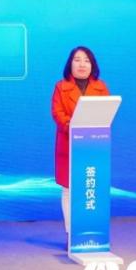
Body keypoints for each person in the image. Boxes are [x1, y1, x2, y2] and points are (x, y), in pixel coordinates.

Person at [51, 46, 109, 239]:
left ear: (92, 65)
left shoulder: (101, 88)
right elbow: (57, 113)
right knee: (69, 189)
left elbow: (106, 112)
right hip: (68, 144)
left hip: (93, 146)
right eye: (77, 60)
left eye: (86, 60)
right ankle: (71, 234)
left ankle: (91, 231)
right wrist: (73, 126)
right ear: (70, 64)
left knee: (90, 187)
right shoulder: (61, 87)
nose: (82, 64)